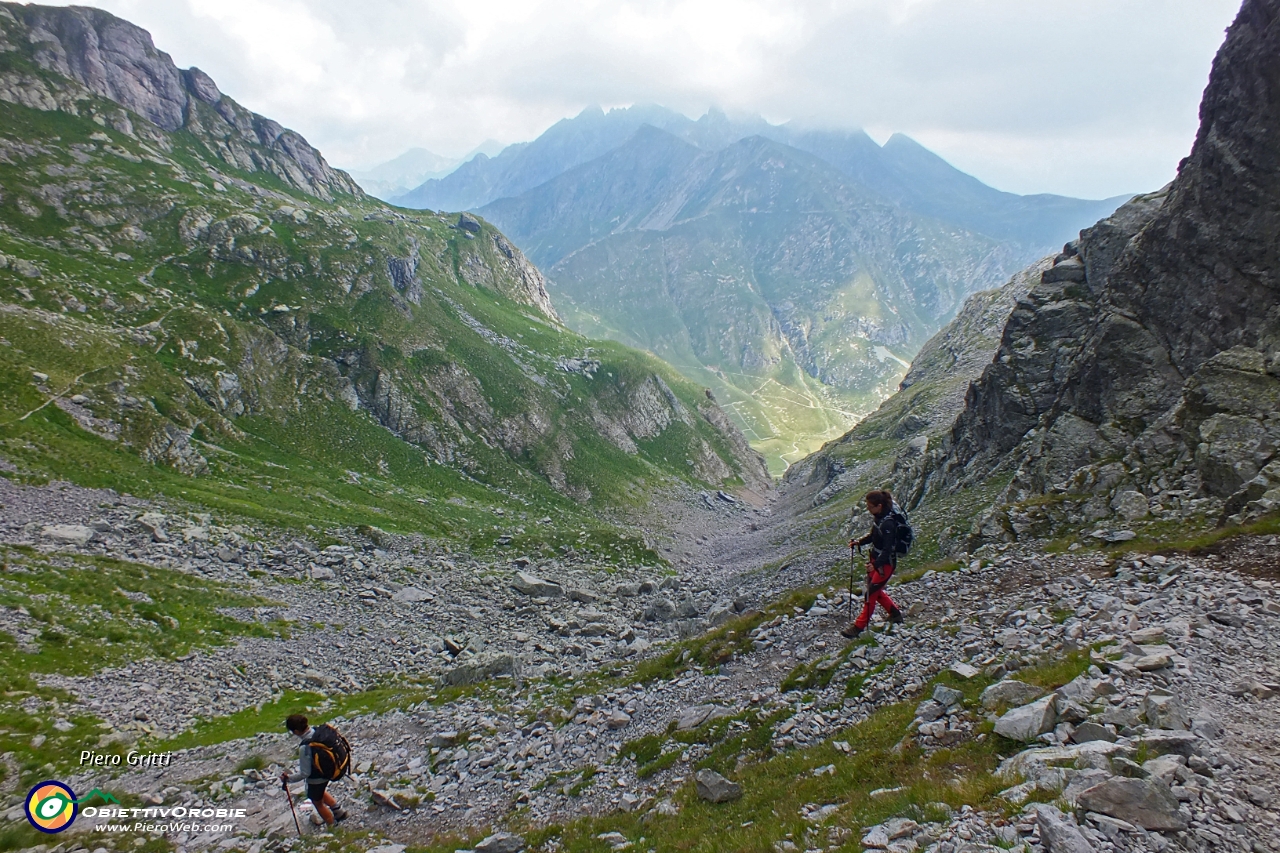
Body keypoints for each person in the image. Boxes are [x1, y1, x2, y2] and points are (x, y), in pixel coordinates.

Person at [841, 490, 905, 639]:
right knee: (874, 591)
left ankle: (858, 627)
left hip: (885, 564)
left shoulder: (888, 523)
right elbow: (873, 536)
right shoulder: (879, 517)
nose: (868, 509)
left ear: (879, 506)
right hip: (876, 561)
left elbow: (888, 549)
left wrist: (876, 566)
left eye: (870, 506)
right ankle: (895, 614)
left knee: (871, 594)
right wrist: (859, 542)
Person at [281, 714, 348, 827]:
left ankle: (332, 825)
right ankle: (338, 811)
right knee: (319, 792)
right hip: (330, 770)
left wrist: (288, 778)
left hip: (317, 777)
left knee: (317, 801)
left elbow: (305, 773)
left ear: (297, 731)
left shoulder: (305, 747)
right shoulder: (319, 732)